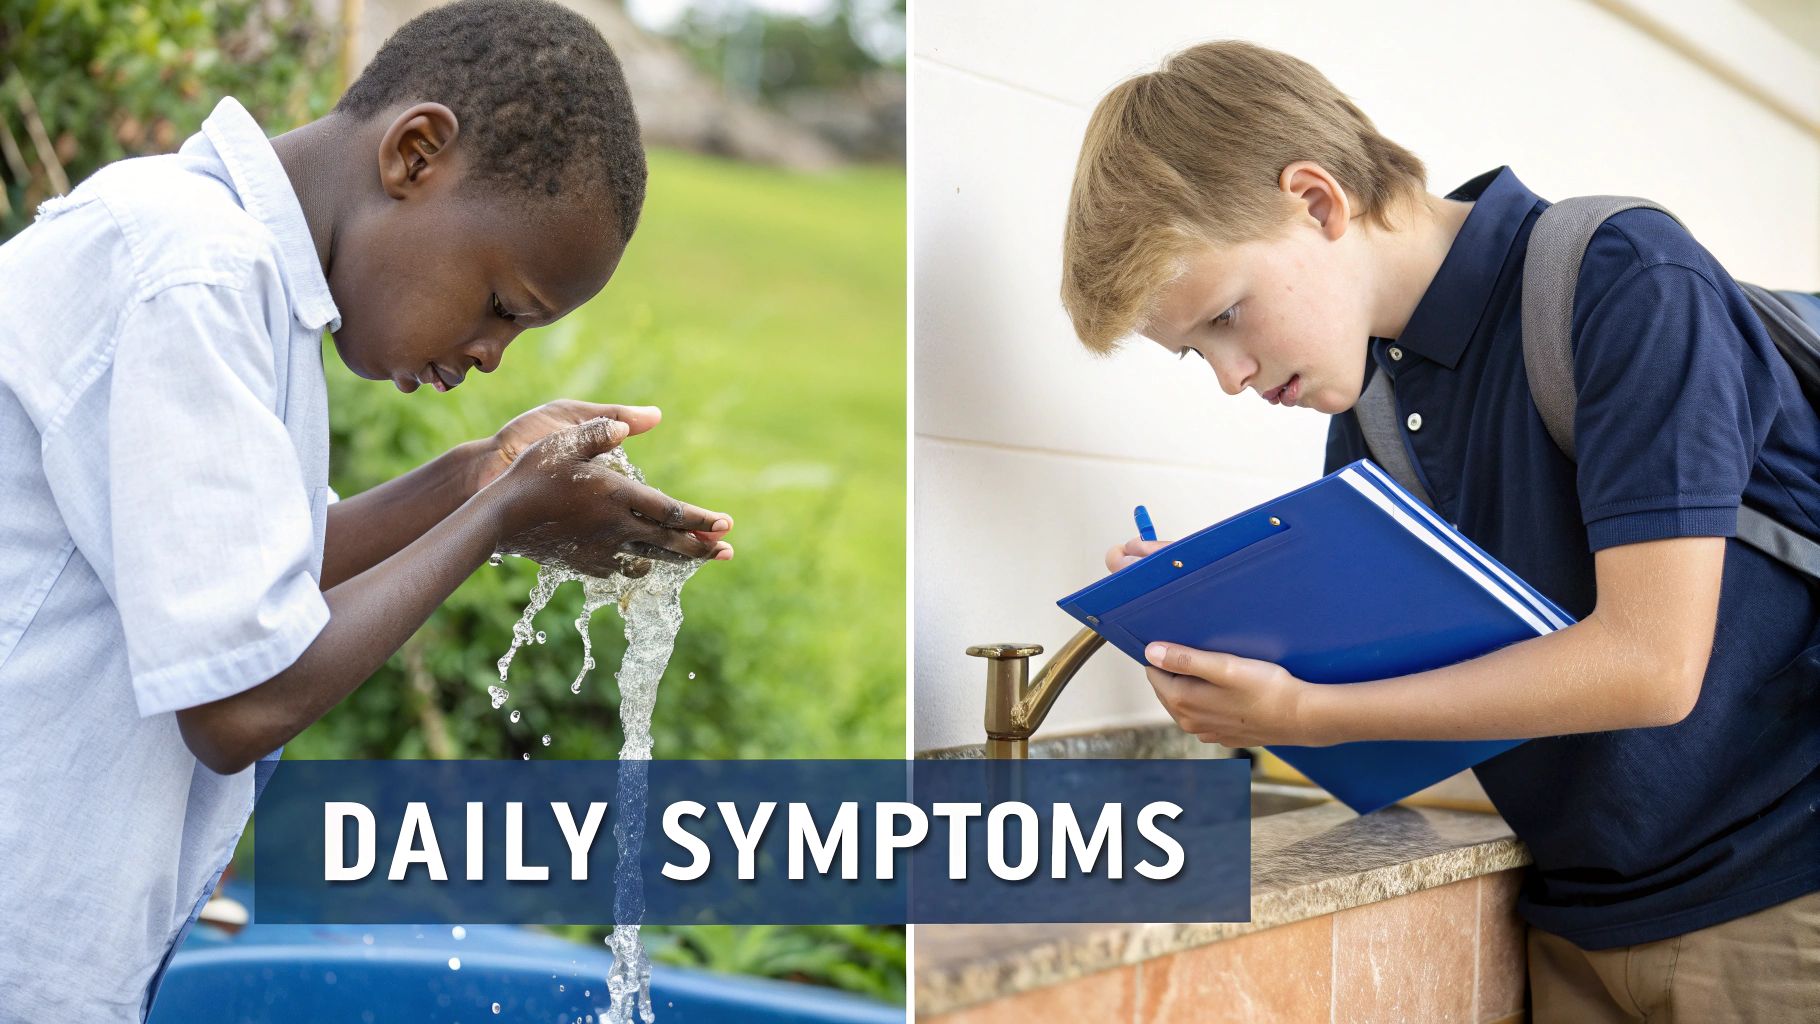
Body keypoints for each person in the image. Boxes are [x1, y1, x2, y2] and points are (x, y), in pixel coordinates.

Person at [0, 1, 734, 1018]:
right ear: (415, 153)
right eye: (502, 307)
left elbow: (253, 582)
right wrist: (498, 518)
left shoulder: (234, 278)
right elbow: (238, 700)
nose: (491, 355)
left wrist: (478, 478)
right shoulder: (192, 274)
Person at [1062, 41, 1819, 1021]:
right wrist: (1211, 625)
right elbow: (1407, 688)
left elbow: (1649, 664)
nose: (1230, 376)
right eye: (1192, 352)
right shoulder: (1372, 409)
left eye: (1227, 316)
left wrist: (1307, 714)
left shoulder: (1627, 281)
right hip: (1578, 922)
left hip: (1776, 905)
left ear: (1317, 202)